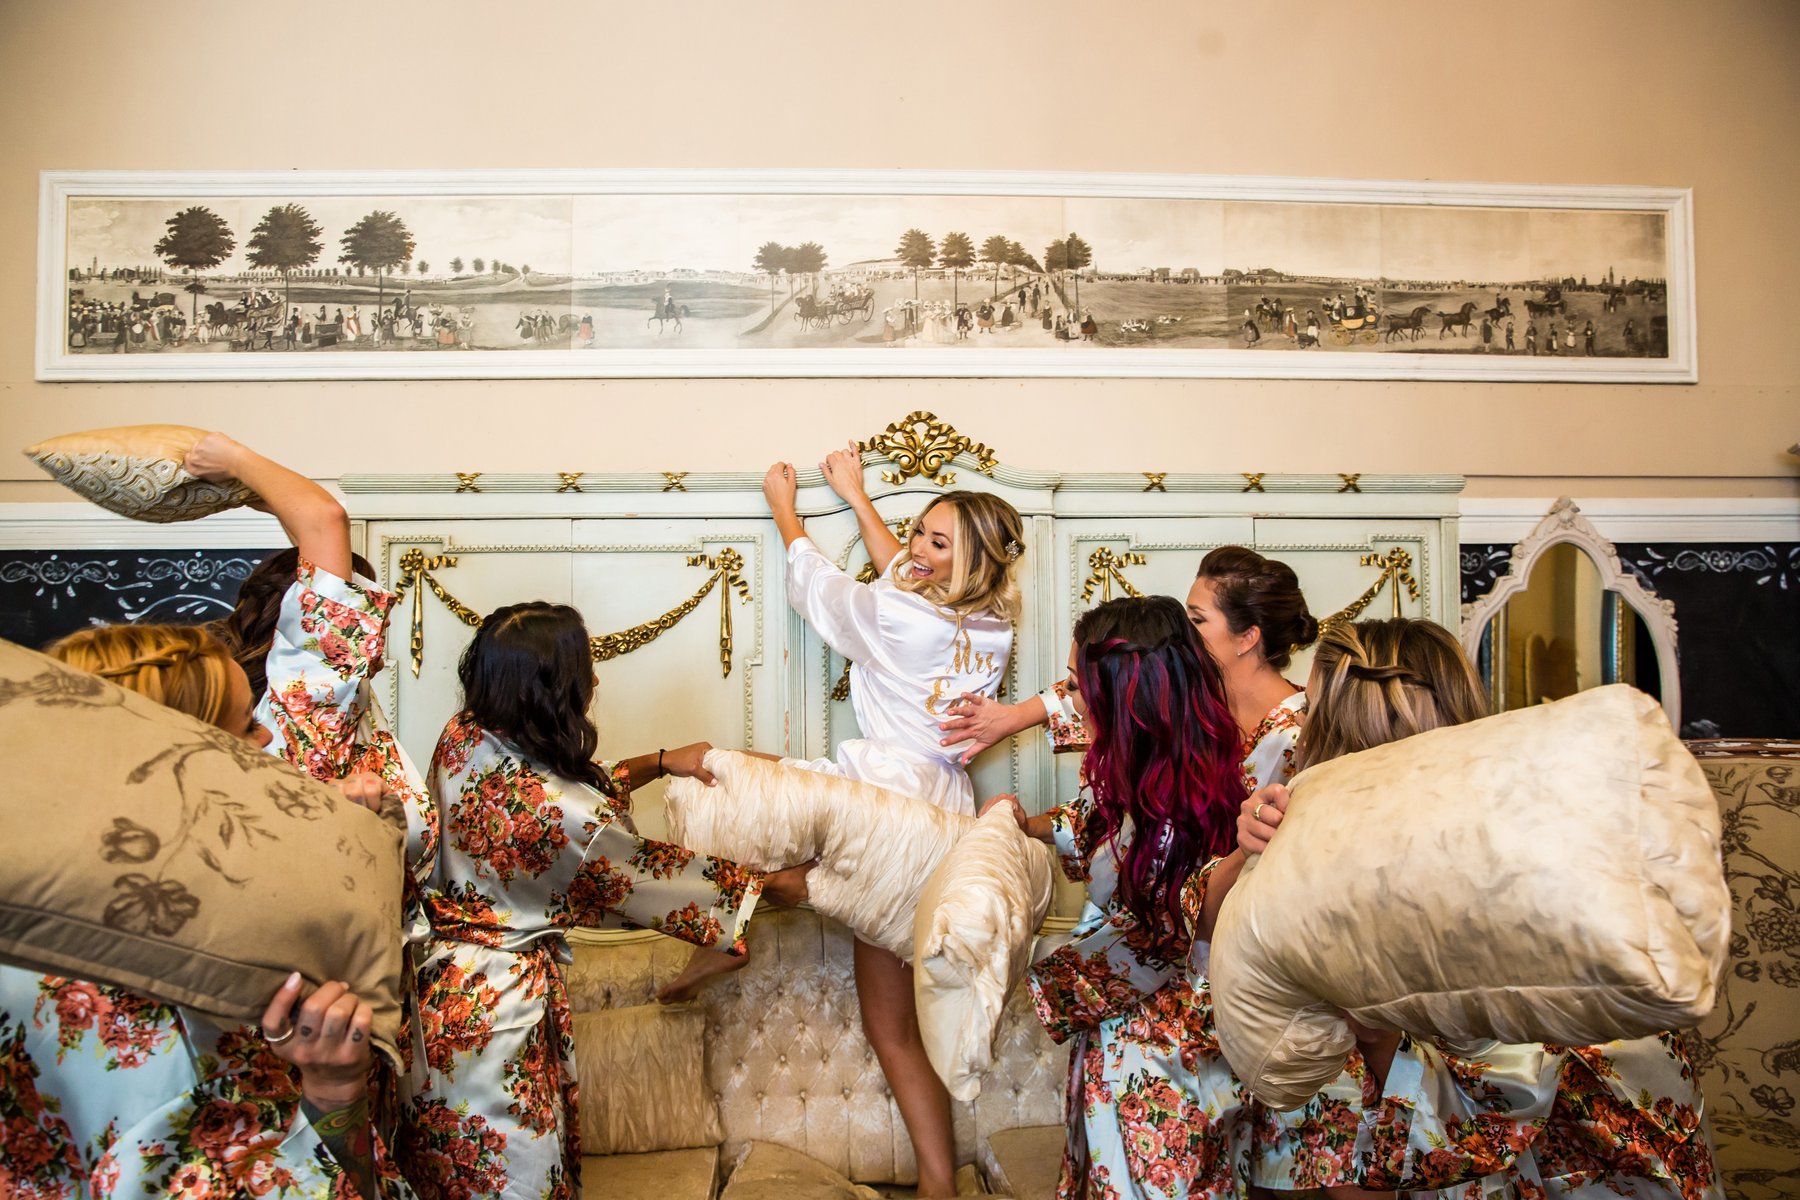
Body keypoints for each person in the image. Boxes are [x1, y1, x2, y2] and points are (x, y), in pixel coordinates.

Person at [1237, 619, 1724, 1198]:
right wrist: (1255, 844)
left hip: (1582, 1140)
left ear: (1342, 728)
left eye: (1310, 710)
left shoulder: (1487, 856)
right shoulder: (1366, 834)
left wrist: (1375, 1039)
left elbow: (1498, 1101)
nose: (1296, 730)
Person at [399, 601, 812, 1199]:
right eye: (584, 668)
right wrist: (771, 885)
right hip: (498, 1019)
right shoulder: (567, 818)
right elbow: (648, 875)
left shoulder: (464, 737)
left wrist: (663, 763)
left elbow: (553, 795)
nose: (594, 679)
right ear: (553, 689)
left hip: (434, 1000)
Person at [0, 622, 403, 1199]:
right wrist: (334, 1090)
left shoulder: (36, 917)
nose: (268, 737)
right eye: (246, 724)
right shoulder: (178, 994)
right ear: (186, 761)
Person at [755, 444, 1025, 1198]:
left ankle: (722, 934)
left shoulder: (904, 615)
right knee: (906, 1017)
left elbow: (826, 593)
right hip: (944, 814)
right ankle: (940, 1183)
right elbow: (905, 580)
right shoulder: (990, 626)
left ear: (971, 561)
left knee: (891, 1022)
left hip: (886, 806)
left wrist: (785, 509)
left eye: (939, 543)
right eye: (919, 534)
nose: (917, 552)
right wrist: (860, 499)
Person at [994, 595, 1251, 1199]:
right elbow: (1093, 825)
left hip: (1168, 1049)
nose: (1069, 697)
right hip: (1121, 1033)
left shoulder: (1198, 801)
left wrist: (1044, 980)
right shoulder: (1129, 771)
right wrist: (1024, 824)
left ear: (1123, 696)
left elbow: (1169, 933)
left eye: (1078, 683)